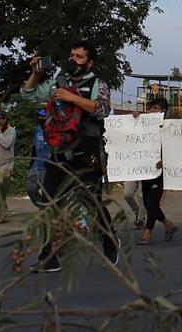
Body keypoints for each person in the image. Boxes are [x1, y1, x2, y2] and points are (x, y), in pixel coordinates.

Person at [21, 41, 117, 272]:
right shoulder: (58, 82)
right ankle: (49, 256)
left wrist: (71, 97)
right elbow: (29, 95)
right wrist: (35, 74)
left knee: (91, 202)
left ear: (90, 62)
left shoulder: (97, 83)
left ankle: (109, 240)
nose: (74, 60)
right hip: (59, 151)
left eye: (80, 57)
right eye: (72, 55)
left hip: (87, 151)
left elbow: (102, 108)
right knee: (50, 202)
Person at [137, 97, 176, 245]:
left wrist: (165, 161)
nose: (152, 111)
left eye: (156, 108)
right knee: (147, 203)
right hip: (145, 169)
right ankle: (167, 223)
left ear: (163, 111)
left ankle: (147, 233)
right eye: (150, 108)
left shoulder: (169, 127)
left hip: (161, 172)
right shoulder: (143, 126)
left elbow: (175, 148)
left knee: (152, 203)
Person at [26, 109, 50, 206]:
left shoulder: (53, 130)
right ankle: (43, 207)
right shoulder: (38, 130)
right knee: (30, 189)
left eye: (42, 116)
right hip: (36, 165)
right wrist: (31, 163)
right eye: (39, 116)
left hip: (48, 167)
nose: (40, 118)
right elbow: (34, 147)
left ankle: (50, 212)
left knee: (47, 193)